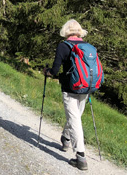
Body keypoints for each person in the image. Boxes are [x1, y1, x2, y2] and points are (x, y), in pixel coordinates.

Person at [44, 19, 89, 170]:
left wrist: (48, 72)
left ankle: (81, 157)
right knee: (75, 116)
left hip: (70, 89)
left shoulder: (63, 46)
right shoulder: (87, 46)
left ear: (66, 31)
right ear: (79, 31)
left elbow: (55, 70)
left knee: (74, 119)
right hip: (85, 88)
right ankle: (66, 138)